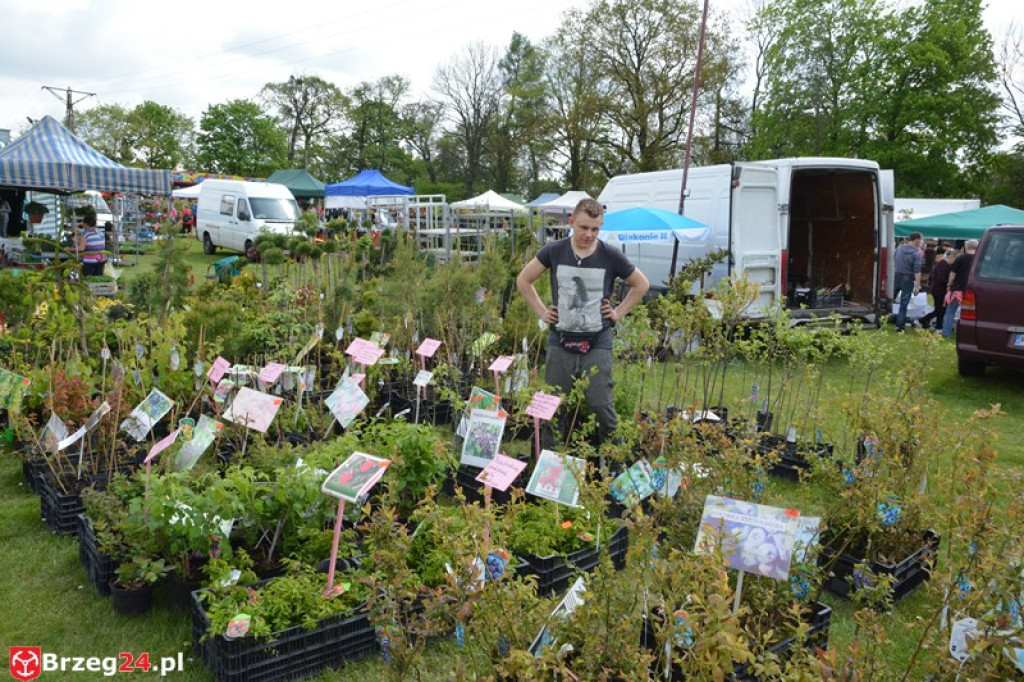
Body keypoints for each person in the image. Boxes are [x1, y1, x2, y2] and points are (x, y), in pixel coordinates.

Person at [516, 198, 650, 446]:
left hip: (597, 340)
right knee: (554, 405)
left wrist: (618, 312)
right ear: (571, 222)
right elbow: (524, 280)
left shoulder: (610, 255)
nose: (589, 234)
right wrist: (542, 312)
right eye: (583, 227)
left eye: (595, 229)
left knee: (601, 404)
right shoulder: (554, 251)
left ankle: (613, 458)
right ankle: (550, 460)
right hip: (560, 339)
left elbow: (641, 284)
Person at [942, 239, 978, 338]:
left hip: (957, 290)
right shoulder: (979, 259)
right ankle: (967, 335)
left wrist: (949, 285)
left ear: (966, 247)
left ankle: (946, 333)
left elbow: (953, 274)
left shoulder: (960, 258)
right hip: (972, 291)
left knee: (950, 311)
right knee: (969, 315)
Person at [893, 231, 923, 331]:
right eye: (921, 240)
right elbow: (917, 271)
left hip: (897, 275)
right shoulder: (916, 253)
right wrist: (917, 286)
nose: (921, 242)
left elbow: (893, 260)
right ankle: (899, 326)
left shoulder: (899, 248)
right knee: (904, 303)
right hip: (908, 278)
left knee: (889, 300)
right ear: (916, 240)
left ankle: (881, 319)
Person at [919, 249, 953, 331]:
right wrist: (949, 283)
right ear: (950, 256)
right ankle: (922, 320)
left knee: (941, 310)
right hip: (939, 291)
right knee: (939, 310)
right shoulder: (943, 264)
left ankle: (938, 327)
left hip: (938, 290)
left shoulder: (943, 264)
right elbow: (940, 279)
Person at [77, 212, 107, 277]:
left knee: (88, 279)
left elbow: (81, 248)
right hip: (101, 260)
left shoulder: (85, 233)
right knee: (97, 279)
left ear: (85, 224)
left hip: (90, 261)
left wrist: (69, 249)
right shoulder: (100, 232)